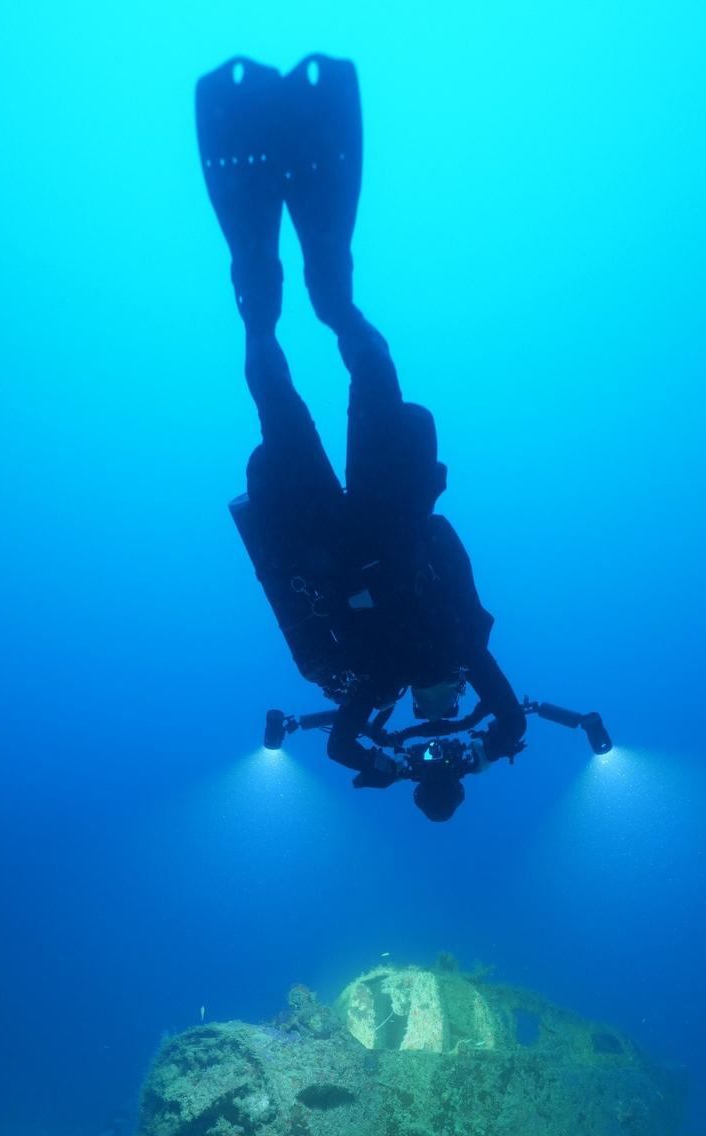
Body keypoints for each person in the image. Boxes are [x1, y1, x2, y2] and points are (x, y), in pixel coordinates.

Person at [196, 54, 526, 821]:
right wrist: (472, 755)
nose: (444, 707)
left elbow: (344, 745)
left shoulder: (378, 683)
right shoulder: (464, 650)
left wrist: (392, 764)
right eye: (455, 708)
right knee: (368, 368)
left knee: (276, 389)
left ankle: (263, 290)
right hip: (385, 509)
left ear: (416, 704)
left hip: (326, 533)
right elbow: (510, 721)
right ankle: (326, 290)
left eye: (435, 712)